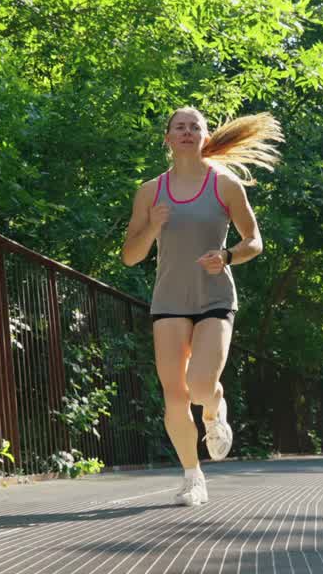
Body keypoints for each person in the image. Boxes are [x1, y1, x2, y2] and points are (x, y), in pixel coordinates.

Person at [121, 106, 282, 506]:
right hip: (170, 301)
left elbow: (255, 241)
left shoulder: (225, 186)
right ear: (168, 139)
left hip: (215, 298)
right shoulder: (150, 192)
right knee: (175, 395)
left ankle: (214, 408)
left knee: (199, 386)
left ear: (205, 138)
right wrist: (154, 226)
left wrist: (227, 257)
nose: (188, 131)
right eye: (180, 127)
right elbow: (130, 256)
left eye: (196, 127)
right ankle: (192, 476)